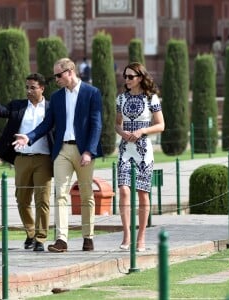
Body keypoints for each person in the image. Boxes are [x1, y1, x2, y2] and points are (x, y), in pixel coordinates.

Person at [12, 58, 103, 253]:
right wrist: (28, 138)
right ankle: (61, 239)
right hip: (62, 150)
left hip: (84, 150)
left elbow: (96, 124)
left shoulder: (91, 93)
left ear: (70, 72)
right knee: (60, 194)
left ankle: (88, 237)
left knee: (86, 196)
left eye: (58, 75)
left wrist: (89, 151)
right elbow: (47, 124)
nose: (56, 79)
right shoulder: (57, 97)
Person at [0, 73, 53, 252]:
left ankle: (40, 238)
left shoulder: (52, 108)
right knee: (22, 200)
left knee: (42, 200)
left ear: (42, 88)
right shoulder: (18, 106)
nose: (29, 91)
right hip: (21, 159)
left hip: (43, 159)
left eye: (33, 87)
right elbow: (0, 111)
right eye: (27, 87)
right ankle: (30, 233)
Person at [115, 62, 165, 252]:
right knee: (124, 191)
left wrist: (143, 130)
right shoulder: (121, 99)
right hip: (125, 149)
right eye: (125, 77)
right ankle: (127, 235)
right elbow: (117, 124)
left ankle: (141, 238)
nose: (126, 80)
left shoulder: (151, 99)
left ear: (140, 78)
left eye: (130, 77)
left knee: (143, 194)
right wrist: (122, 133)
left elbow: (161, 125)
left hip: (144, 150)